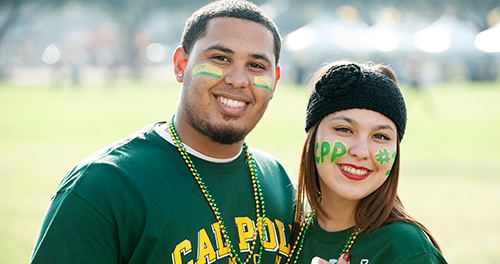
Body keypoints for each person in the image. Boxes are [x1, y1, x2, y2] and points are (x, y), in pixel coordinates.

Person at [30, 1, 295, 263]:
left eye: (257, 66)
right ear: (181, 64)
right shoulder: (103, 186)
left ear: (274, 82)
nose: (238, 79)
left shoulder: (279, 183)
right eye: (220, 58)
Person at [286, 61, 447, 264]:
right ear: (312, 136)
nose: (361, 152)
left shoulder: (406, 249)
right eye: (344, 130)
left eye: (380, 136)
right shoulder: (284, 231)